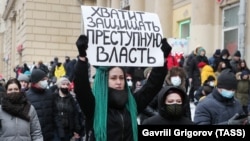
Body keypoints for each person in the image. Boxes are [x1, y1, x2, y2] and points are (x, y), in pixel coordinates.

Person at [73, 35, 172, 141]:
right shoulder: (94, 105)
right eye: (113, 78)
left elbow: (152, 86)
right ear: (104, 81)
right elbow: (81, 89)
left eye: (121, 78)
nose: (119, 82)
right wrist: (82, 57)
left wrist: (163, 58)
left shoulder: (132, 104)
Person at [26, 68, 55, 141]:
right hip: (34, 136)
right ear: (35, 81)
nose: (45, 81)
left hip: (50, 135)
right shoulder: (26, 96)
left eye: (46, 79)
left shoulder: (49, 93)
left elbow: (55, 114)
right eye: (42, 80)